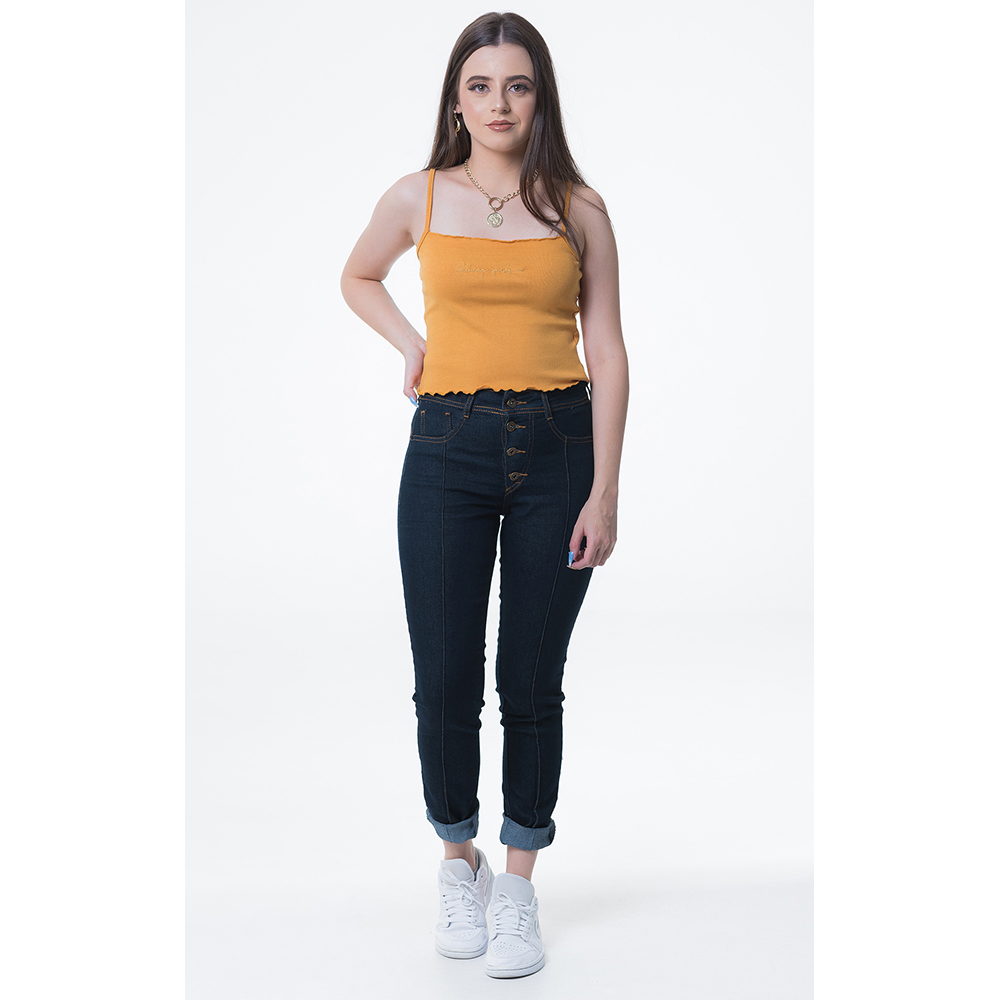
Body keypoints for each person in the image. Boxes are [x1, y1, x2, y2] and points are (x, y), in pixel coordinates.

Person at [340, 11, 628, 979]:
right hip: (446, 449)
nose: (498, 103)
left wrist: (606, 490)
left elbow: (608, 351)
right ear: (456, 100)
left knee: (532, 681)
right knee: (445, 676)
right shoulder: (418, 195)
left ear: (540, 98)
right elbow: (357, 275)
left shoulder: (579, 207)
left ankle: (519, 884)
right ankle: (457, 860)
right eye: (480, 86)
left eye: (517, 85)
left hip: (559, 449)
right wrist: (412, 345)